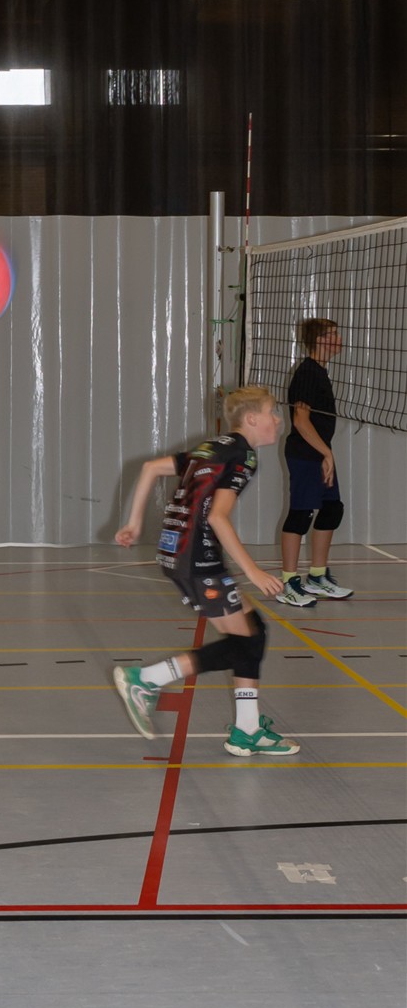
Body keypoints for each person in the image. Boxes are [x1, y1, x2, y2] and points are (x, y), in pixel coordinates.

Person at [111, 385, 298, 759]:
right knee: (244, 643)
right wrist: (254, 571)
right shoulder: (242, 456)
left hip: (179, 551)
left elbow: (150, 469)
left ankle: (247, 729)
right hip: (197, 558)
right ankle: (146, 679)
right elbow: (217, 516)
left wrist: (133, 523)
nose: (278, 419)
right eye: (272, 412)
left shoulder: (211, 447)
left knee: (254, 632)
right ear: (251, 419)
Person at [277, 317, 353, 607]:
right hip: (306, 454)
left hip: (318, 453)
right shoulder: (307, 373)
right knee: (301, 514)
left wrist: (325, 452)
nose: (339, 337)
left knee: (332, 510)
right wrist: (326, 453)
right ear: (320, 340)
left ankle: (317, 577)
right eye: (333, 333)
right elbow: (300, 420)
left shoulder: (319, 371)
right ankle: (288, 583)